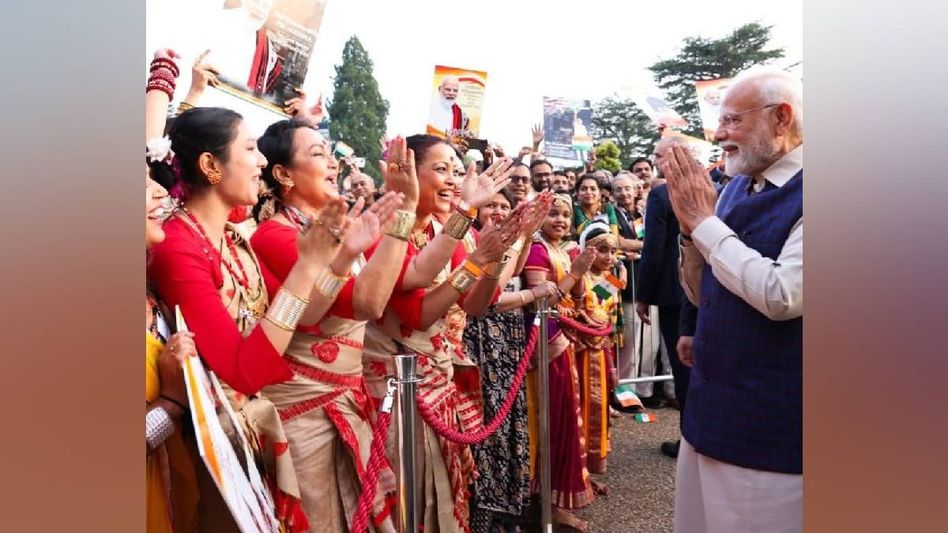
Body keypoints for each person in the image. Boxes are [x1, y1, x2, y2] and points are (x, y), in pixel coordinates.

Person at [147, 106, 357, 532]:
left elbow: (302, 315)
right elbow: (246, 371)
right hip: (213, 448)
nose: (261, 159)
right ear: (210, 165)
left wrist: (340, 259)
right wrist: (306, 267)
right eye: (249, 148)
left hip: (248, 432)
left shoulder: (231, 239)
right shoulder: (178, 248)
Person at [249, 119, 416, 530]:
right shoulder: (275, 234)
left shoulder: (345, 226)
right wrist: (406, 212)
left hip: (347, 398)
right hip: (303, 414)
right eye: (318, 154)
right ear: (283, 174)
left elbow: (411, 281)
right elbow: (369, 302)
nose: (333, 163)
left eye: (330, 153)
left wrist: (461, 220)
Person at [664, 70, 803, 533]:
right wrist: (689, 235)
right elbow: (701, 288)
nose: (718, 133)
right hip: (711, 415)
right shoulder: (735, 187)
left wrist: (702, 223)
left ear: (781, 118)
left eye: (730, 120)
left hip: (773, 429)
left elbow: (783, 295)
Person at [360, 136, 519, 533]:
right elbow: (418, 313)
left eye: (455, 170)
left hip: (440, 377)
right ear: (410, 173)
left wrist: (498, 255)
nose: (452, 181)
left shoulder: (451, 231)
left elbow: (475, 305)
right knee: (408, 497)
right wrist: (472, 237)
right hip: (397, 389)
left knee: (444, 495)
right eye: (441, 169)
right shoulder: (385, 228)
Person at [463, 190, 555, 533]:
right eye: (492, 205)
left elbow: (513, 268)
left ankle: (505, 509)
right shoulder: (472, 241)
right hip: (481, 344)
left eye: (505, 206)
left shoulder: (498, 241)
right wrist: (532, 294)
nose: (499, 212)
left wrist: (525, 235)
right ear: (475, 209)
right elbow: (491, 296)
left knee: (506, 424)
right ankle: (484, 513)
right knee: (487, 428)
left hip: (506, 341)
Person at [523, 194, 597, 532]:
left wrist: (579, 276)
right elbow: (540, 301)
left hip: (562, 344)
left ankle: (564, 495)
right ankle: (547, 506)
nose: (560, 220)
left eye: (566, 214)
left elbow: (573, 298)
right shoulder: (537, 250)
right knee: (553, 423)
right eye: (553, 213)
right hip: (544, 349)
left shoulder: (560, 250)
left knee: (567, 420)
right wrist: (575, 273)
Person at [635, 136, 694, 458]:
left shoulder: (662, 194)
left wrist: (643, 294)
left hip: (675, 294)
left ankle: (690, 438)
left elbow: (653, 248)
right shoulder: (713, 186)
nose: (656, 161)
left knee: (684, 366)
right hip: (708, 289)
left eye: (658, 155)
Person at [574, 221, 624, 478]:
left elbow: (607, 318)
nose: (609, 257)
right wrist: (617, 282)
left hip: (601, 352)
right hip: (580, 354)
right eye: (602, 250)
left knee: (599, 407)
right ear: (589, 250)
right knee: (582, 409)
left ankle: (592, 469)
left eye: (613, 251)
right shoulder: (579, 277)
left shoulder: (608, 278)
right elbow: (588, 311)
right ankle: (578, 473)